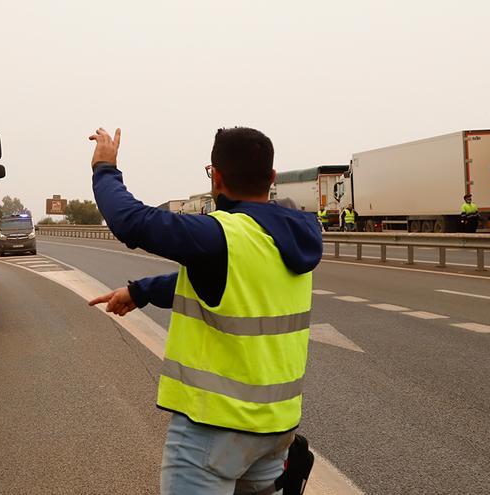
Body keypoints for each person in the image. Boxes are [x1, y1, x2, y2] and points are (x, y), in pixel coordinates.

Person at [86, 127, 322, 494]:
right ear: (272, 178)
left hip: (214, 430)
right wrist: (140, 291)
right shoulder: (289, 237)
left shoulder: (221, 235)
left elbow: (132, 221)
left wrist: (104, 169)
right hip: (276, 432)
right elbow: (225, 284)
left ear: (217, 176)